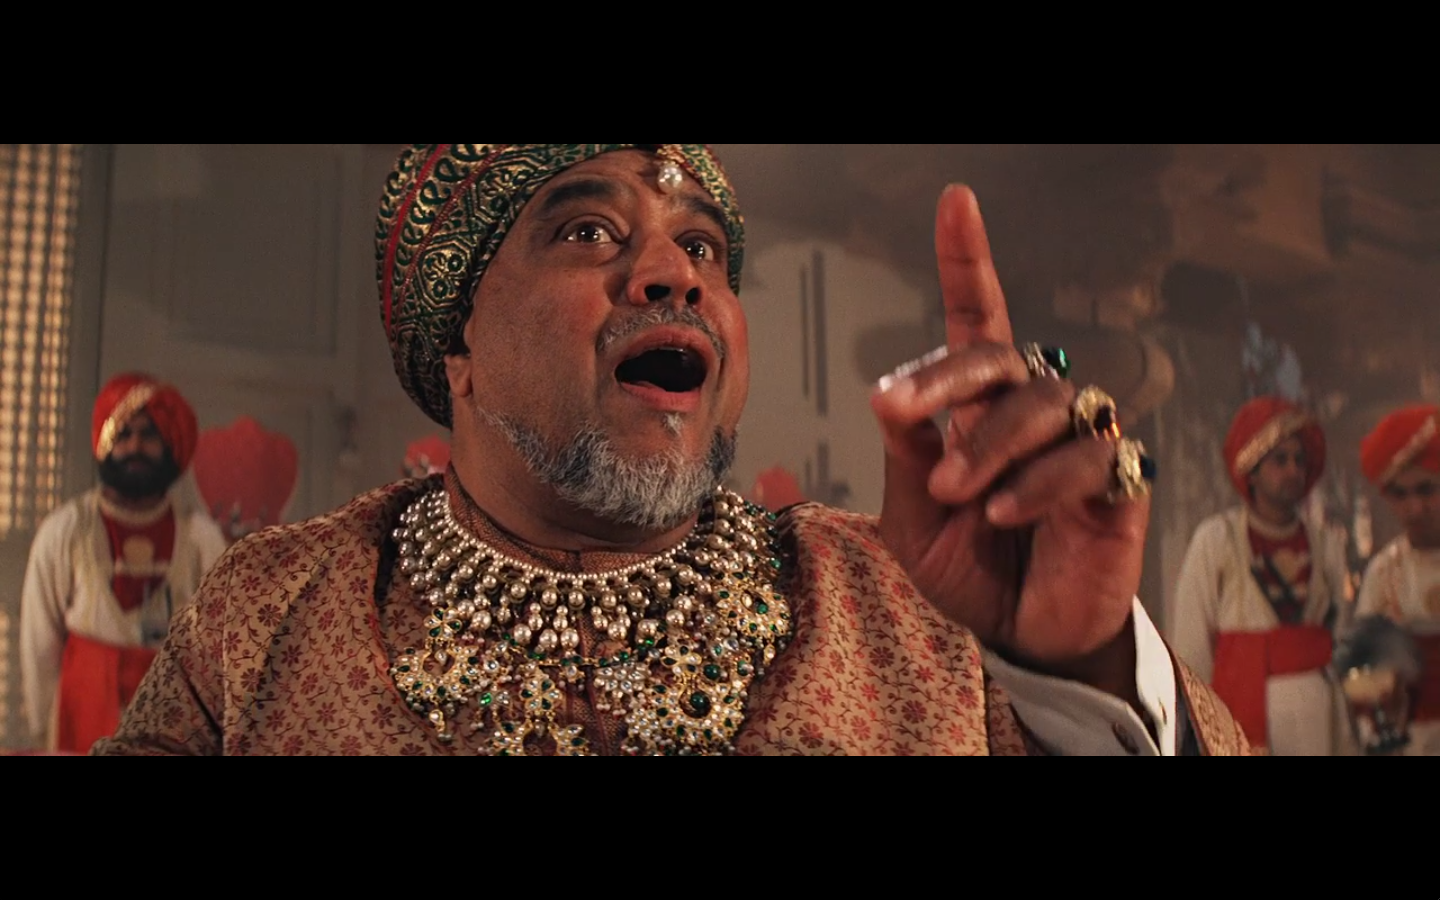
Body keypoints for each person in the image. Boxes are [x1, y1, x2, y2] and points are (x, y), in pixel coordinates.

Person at [93, 144, 1252, 756]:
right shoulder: (267, 616)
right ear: (457, 343)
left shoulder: (910, 605)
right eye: (587, 230)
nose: (671, 275)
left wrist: (1085, 674)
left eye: (702, 246)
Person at [20, 371, 228, 753]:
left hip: (170, 724)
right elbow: (39, 644)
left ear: (169, 443)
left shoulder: (201, 539)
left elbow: (218, 649)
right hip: (81, 717)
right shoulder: (66, 530)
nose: (135, 446)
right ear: (105, 444)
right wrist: (42, 725)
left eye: (149, 435)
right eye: (123, 434)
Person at [1170, 395, 1354, 755]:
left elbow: (1342, 636)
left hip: (1317, 718)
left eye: (1299, 460)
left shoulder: (1326, 544)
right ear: (1251, 470)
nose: (1293, 471)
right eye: (1280, 460)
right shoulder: (1216, 540)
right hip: (1240, 714)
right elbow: (1192, 644)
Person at [1353, 404, 1440, 754]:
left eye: (1426, 490)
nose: (1415, 508)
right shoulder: (1383, 573)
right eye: (1400, 494)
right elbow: (1364, 677)